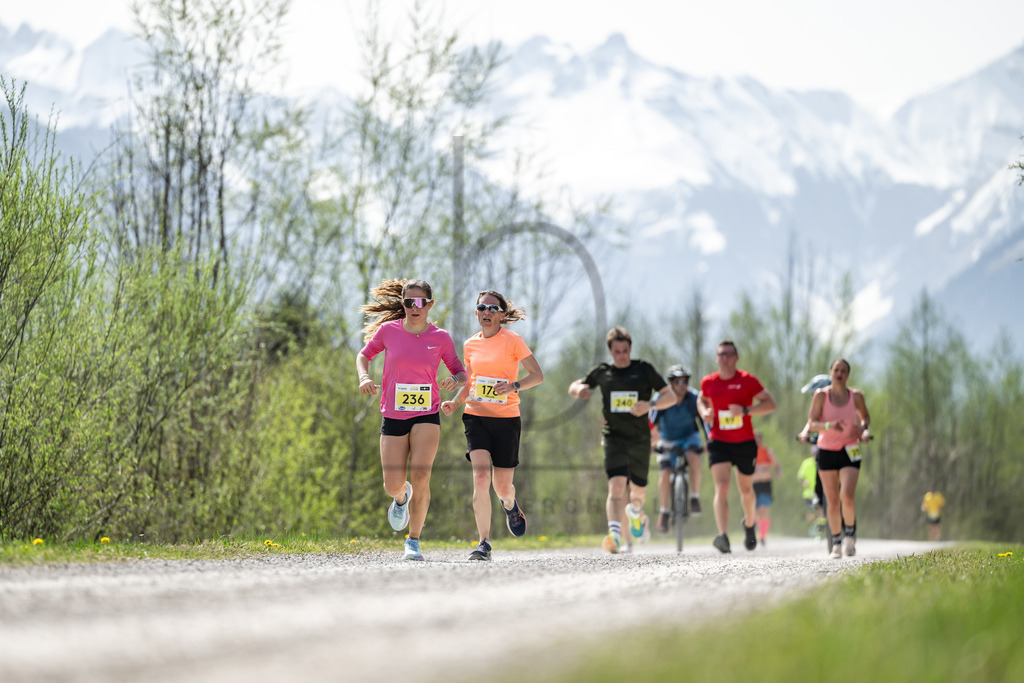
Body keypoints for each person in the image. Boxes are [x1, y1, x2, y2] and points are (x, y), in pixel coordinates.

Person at [356, 278, 467, 561]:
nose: (414, 307)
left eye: (420, 302)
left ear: (429, 305)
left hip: (426, 414)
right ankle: (400, 497)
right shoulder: (388, 331)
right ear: (403, 305)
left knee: (421, 476)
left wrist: (455, 380)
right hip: (393, 414)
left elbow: (460, 371)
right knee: (392, 483)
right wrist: (364, 377)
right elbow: (363, 355)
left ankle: (413, 540)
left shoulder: (440, 337)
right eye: (408, 302)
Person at [441, 290, 544, 561]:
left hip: (507, 419)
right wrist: (454, 401)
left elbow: (538, 375)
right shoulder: (469, 345)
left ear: (501, 314)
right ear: (476, 313)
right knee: (480, 477)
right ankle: (484, 543)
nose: (486, 312)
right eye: (481, 308)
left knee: (501, 488)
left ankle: (510, 505)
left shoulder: (513, 341)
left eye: (492, 308)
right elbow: (471, 382)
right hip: (475, 416)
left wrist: (514, 385)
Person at [568, 327, 678, 554]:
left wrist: (650, 405)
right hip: (613, 437)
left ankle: (636, 514)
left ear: (630, 349)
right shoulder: (603, 372)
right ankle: (614, 536)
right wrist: (579, 389)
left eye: (625, 350)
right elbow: (574, 386)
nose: (621, 355)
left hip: (639, 439)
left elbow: (671, 396)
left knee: (638, 493)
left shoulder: (644, 370)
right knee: (616, 487)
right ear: (610, 350)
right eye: (617, 351)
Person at [696, 339, 776, 553]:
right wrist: (704, 412)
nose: (724, 358)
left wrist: (746, 410)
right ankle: (723, 536)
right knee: (721, 487)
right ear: (716, 358)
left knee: (746, 490)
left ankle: (749, 525)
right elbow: (701, 399)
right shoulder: (708, 382)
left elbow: (770, 404)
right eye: (721, 354)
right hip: (718, 441)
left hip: (744, 442)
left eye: (729, 354)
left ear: (736, 357)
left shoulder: (747, 381)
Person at [806, 358, 871, 559]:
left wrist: (865, 431)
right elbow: (812, 423)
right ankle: (836, 543)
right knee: (832, 500)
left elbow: (865, 418)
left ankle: (850, 534)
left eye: (843, 371)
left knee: (847, 496)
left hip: (850, 448)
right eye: (836, 370)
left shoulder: (856, 396)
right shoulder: (820, 396)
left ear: (848, 375)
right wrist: (829, 426)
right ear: (830, 372)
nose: (839, 374)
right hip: (827, 450)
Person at [651, 365, 705, 533]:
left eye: (685, 381)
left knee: (693, 457)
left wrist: (710, 440)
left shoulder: (694, 398)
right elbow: (651, 423)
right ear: (670, 383)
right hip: (666, 439)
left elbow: (704, 421)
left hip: (689, 437)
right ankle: (664, 512)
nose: (683, 385)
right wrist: (650, 444)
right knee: (665, 472)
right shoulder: (661, 398)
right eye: (678, 381)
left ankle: (694, 497)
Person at [752, 431, 781, 546]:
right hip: (753, 485)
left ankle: (762, 536)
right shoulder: (749, 453)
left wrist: (777, 472)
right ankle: (753, 532)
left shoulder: (767, 451)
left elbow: (776, 465)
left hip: (765, 484)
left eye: (758, 438)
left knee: (764, 510)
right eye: (755, 438)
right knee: (755, 512)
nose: (757, 440)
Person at [797, 450, 825, 538]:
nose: (815, 455)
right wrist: (804, 481)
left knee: (821, 511)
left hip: (820, 492)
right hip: (809, 493)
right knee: (811, 514)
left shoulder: (823, 462)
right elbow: (800, 477)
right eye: (814, 453)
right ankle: (816, 525)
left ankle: (819, 532)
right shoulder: (806, 463)